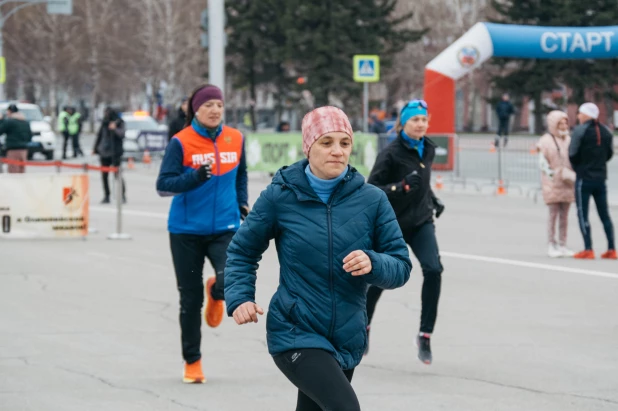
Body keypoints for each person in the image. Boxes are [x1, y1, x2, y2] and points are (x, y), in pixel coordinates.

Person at [225, 106, 411, 411]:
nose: (337, 151)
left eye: (344, 143)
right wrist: (240, 297)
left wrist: (373, 263)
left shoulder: (372, 200)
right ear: (308, 147)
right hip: (296, 331)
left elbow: (401, 265)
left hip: (346, 336)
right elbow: (243, 250)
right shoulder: (280, 196)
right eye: (326, 143)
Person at [156, 84, 249, 384]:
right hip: (186, 231)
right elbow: (163, 185)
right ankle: (192, 361)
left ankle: (217, 292)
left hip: (225, 227)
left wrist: (242, 201)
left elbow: (241, 174)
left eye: (219, 105)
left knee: (229, 280)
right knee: (189, 300)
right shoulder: (180, 142)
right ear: (196, 109)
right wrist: (194, 177)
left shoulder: (236, 138)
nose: (214, 110)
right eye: (208, 105)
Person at [365, 99, 445, 365]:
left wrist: (432, 198)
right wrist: (400, 187)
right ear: (403, 123)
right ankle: (362, 328)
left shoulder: (429, 148)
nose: (421, 124)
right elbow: (372, 190)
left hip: (421, 221)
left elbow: (421, 180)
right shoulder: (390, 153)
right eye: (415, 120)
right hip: (393, 225)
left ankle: (425, 334)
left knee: (434, 269)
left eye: (424, 120)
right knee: (381, 279)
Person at [569, 102, 615, 260]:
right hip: (600, 178)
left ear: (587, 114)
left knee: (582, 213)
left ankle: (588, 248)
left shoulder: (580, 131)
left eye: (580, 113)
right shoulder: (606, 132)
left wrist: (579, 167)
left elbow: (573, 153)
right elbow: (609, 153)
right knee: (604, 214)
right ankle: (611, 248)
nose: (578, 117)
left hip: (584, 178)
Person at [537, 110, 575, 258]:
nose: (564, 125)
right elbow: (542, 161)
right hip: (552, 182)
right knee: (553, 215)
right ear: (554, 124)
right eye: (561, 123)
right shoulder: (545, 141)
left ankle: (563, 244)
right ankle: (551, 244)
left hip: (567, 181)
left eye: (566, 122)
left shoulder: (568, 139)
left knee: (564, 215)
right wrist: (550, 174)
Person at [93, 108, 126, 204]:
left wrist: (115, 128)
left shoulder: (119, 122)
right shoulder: (104, 123)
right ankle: (106, 195)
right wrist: (95, 148)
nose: (106, 115)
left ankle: (122, 195)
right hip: (104, 153)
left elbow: (121, 134)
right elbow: (99, 136)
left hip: (115, 153)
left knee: (117, 175)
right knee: (104, 176)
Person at [0, 104, 32, 173]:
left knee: (13, 172)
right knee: (22, 172)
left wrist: (1, 120)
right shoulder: (25, 122)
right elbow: (30, 136)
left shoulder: (9, 121)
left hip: (13, 150)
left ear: (10, 111)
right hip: (24, 150)